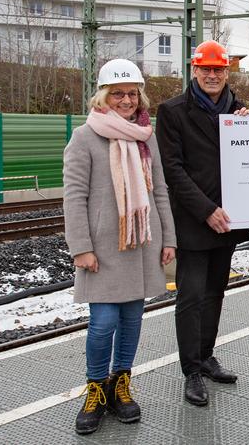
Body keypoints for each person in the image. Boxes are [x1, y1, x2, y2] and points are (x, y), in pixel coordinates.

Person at [64, 59, 176, 434]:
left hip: (142, 242)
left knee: (131, 320)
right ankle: (95, 387)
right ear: (104, 96)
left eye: (132, 93)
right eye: (118, 94)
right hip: (103, 247)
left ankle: (121, 385)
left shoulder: (147, 136)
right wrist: (81, 246)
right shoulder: (84, 137)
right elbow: (74, 196)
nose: (126, 100)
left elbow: (159, 190)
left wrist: (168, 239)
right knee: (102, 323)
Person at [156, 40, 249, 406]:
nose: (212, 75)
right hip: (195, 222)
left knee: (215, 293)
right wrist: (206, 209)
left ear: (227, 72)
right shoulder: (173, 111)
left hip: (228, 221)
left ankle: (207, 356)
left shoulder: (239, 110)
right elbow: (172, 170)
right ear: (194, 70)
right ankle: (191, 370)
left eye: (219, 70)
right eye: (206, 69)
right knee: (191, 297)